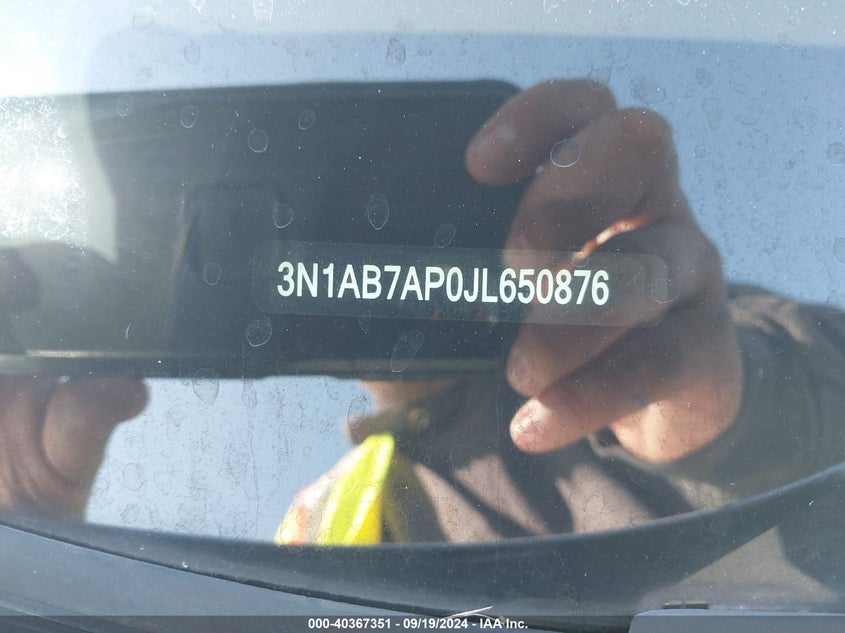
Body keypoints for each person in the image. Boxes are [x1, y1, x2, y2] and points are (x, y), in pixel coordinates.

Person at [1, 80, 844, 584]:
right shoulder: (314, 513)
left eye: (383, 205)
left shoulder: (647, 324)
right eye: (315, 221)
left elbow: (813, 394)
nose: (352, 249)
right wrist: (32, 543)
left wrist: (731, 404)